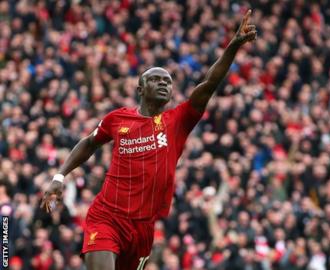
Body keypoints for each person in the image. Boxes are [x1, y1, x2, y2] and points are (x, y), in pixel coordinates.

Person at [40, 10, 257, 270]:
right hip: (107, 217)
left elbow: (209, 83)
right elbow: (88, 143)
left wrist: (232, 47)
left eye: (168, 81)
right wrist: (59, 177)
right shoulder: (118, 119)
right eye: (156, 79)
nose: (164, 84)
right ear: (140, 89)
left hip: (143, 228)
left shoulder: (179, 121)